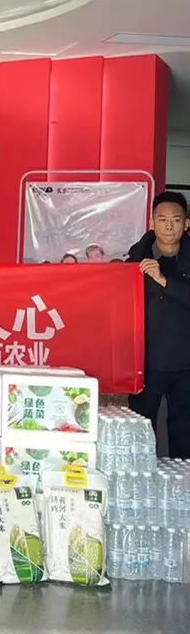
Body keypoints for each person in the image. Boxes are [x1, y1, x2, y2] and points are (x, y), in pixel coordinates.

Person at [127, 191, 190, 458]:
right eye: (162, 219)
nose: (169, 226)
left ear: (186, 224)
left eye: (176, 220)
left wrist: (164, 280)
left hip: (186, 364)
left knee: (184, 433)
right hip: (145, 363)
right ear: (152, 222)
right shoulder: (135, 260)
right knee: (140, 432)